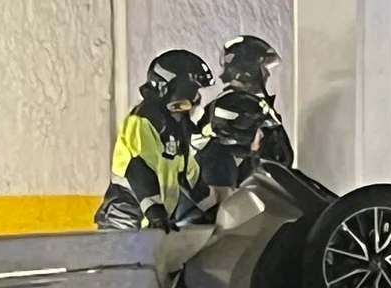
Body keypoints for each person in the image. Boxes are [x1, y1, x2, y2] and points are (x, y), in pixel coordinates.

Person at [96, 49, 213, 231]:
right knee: (125, 259)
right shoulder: (143, 120)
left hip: (154, 217)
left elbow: (189, 175)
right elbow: (138, 167)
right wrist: (155, 211)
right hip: (125, 216)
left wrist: (211, 210)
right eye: (193, 91)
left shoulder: (177, 124)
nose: (196, 99)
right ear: (173, 88)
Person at [207, 35, 293, 169]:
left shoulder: (252, 103)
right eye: (263, 68)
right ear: (249, 68)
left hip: (266, 185)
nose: (267, 74)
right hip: (248, 187)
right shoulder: (232, 105)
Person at [194, 90, 282, 212]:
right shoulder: (217, 167)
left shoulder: (224, 157)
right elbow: (225, 215)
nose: (261, 134)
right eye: (256, 129)